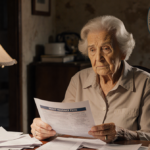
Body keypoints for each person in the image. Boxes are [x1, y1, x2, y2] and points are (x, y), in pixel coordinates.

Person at [31, 15, 150, 143]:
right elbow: (63, 127)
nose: (98, 57)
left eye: (106, 48)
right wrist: (43, 129)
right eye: (92, 49)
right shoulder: (79, 80)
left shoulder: (145, 83)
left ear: (123, 52)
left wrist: (123, 133)